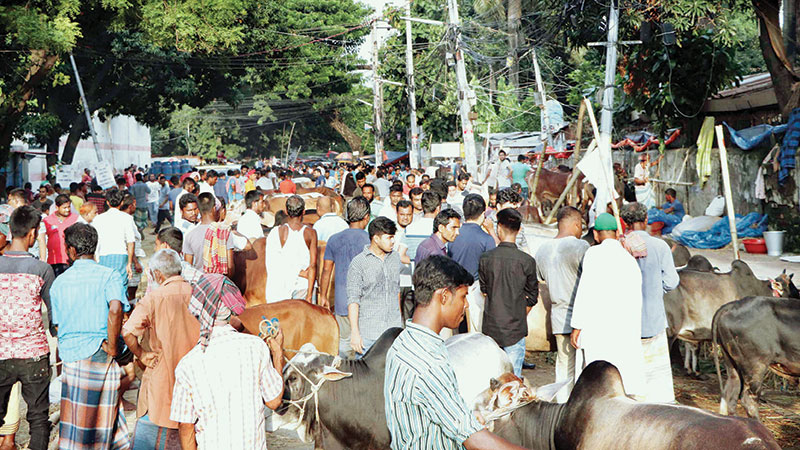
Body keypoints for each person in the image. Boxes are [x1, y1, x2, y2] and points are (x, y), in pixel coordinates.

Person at [384, 255, 526, 450]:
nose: (466, 305)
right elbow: (473, 439)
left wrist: (465, 415)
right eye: (463, 296)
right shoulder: (428, 361)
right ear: (444, 296)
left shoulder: (403, 342)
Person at [170, 273, 284, 450]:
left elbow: (185, 427)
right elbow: (274, 401)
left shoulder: (187, 365)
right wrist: (277, 353)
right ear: (230, 310)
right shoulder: (256, 347)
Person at [50, 223, 131, 450]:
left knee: (78, 419)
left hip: (72, 356)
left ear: (72, 251)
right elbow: (116, 309)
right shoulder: (109, 275)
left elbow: (57, 325)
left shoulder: (59, 283)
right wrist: (114, 346)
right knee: (104, 416)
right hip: (100, 351)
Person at [122, 249, 201, 450]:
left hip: (162, 378)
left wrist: (141, 354)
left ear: (158, 275)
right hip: (197, 377)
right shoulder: (198, 294)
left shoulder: (154, 298)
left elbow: (128, 332)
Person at [570, 212, 646, 398]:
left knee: (598, 377)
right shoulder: (629, 260)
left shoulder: (594, 254)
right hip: (624, 329)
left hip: (599, 330)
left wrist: (577, 326)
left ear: (596, 234)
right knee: (623, 377)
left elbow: (585, 292)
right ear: (615, 233)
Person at [0, 206, 55, 450]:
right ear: (33, 234)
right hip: (33, 354)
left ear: (10, 230)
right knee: (38, 419)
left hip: (0, 353)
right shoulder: (42, 269)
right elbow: (55, 318)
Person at [620, 203, 679, 403]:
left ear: (624, 222)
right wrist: (655, 289)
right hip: (654, 320)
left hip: (626, 323)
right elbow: (672, 282)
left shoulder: (620, 245)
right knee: (657, 382)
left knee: (630, 383)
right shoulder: (660, 246)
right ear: (646, 220)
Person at [534, 206, 589, 402]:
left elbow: (541, 280)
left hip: (558, 316)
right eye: (581, 224)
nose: (581, 229)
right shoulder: (581, 247)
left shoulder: (542, 250)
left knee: (564, 366)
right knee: (584, 367)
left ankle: (561, 405)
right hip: (582, 318)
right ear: (575, 224)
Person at [478, 208, 537, 376]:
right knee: (513, 380)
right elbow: (532, 297)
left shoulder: (486, 258)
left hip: (491, 327)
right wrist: (518, 313)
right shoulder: (527, 261)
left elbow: (484, 291)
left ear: (499, 228)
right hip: (515, 329)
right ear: (518, 230)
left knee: (492, 378)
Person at [319, 197, 371, 357]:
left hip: (342, 302)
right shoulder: (371, 240)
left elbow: (326, 270)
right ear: (366, 217)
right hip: (365, 303)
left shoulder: (334, 239)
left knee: (343, 349)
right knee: (364, 350)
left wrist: (323, 296)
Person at [346, 217, 402, 357]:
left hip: (393, 334)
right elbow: (353, 300)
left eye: (393, 237)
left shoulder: (395, 258)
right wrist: (355, 333)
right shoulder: (359, 263)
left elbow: (396, 291)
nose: (393, 241)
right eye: (389, 237)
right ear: (376, 239)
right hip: (369, 335)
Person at [448, 194, 495, 333]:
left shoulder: (453, 235)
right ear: (482, 214)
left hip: (454, 290)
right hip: (476, 291)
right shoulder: (486, 239)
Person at [264, 195, 317, 302]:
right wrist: (310, 296)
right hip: (303, 286)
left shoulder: (275, 233)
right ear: (303, 212)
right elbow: (313, 265)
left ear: (286, 212)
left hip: (280, 288)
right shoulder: (310, 233)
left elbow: (272, 262)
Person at [92, 188, 137, 292]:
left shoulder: (98, 219)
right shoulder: (127, 218)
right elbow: (130, 242)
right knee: (120, 287)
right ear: (121, 203)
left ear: (107, 202)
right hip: (121, 256)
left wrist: (95, 258)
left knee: (105, 288)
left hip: (102, 256)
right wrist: (129, 263)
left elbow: (95, 241)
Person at [183, 193, 236, 277]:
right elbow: (230, 267)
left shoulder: (190, 235)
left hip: (200, 283)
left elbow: (188, 268)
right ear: (214, 208)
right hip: (220, 282)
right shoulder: (224, 232)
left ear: (198, 210)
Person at [43, 194, 78, 277]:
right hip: (53, 260)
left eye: (69, 207)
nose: (67, 210)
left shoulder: (76, 219)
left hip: (71, 260)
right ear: (57, 207)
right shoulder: (47, 220)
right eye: (64, 208)